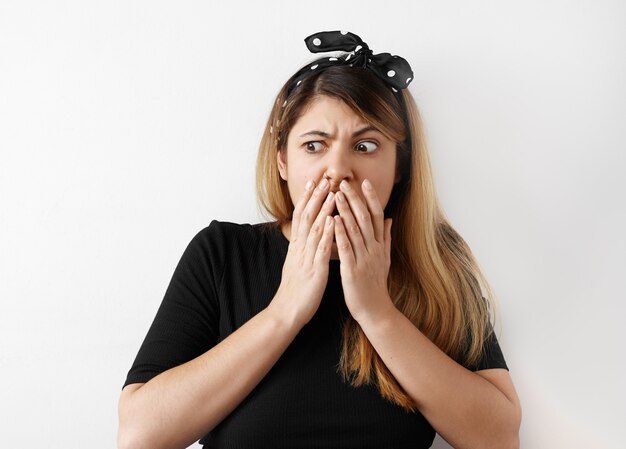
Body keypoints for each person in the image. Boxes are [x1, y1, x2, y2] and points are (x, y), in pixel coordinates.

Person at [117, 30, 522, 449]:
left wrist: (377, 313)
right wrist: (286, 309)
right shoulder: (222, 255)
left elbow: (498, 437)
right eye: (314, 145)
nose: (338, 170)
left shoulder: (435, 260)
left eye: (365, 145)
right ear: (283, 162)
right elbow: (140, 434)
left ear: (399, 168)